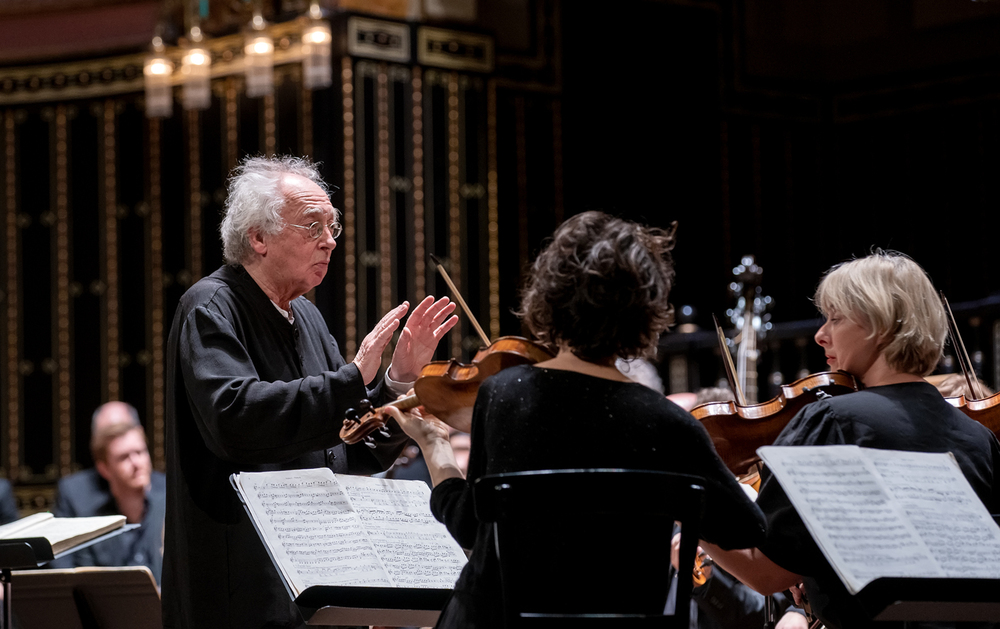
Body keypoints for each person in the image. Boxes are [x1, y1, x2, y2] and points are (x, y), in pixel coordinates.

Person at [384, 211, 767, 629]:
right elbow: (748, 530)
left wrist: (436, 447)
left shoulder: (505, 395)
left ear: (549, 297)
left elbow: (474, 531)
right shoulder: (671, 424)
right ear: (647, 311)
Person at [162, 156, 457, 629]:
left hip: (320, 579)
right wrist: (353, 377)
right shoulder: (210, 307)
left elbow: (351, 448)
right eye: (311, 225)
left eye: (332, 224)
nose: (330, 240)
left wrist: (398, 380)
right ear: (258, 237)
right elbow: (235, 419)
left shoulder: (309, 317)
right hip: (242, 585)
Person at [701, 251, 1000, 629]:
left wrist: (689, 504)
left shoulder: (834, 421)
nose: (820, 334)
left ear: (882, 324)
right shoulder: (979, 436)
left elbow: (765, 575)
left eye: (835, 318)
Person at [50, 401, 165, 584]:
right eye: (123, 457)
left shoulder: (168, 504)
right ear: (104, 469)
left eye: (140, 452)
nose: (136, 463)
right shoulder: (92, 522)